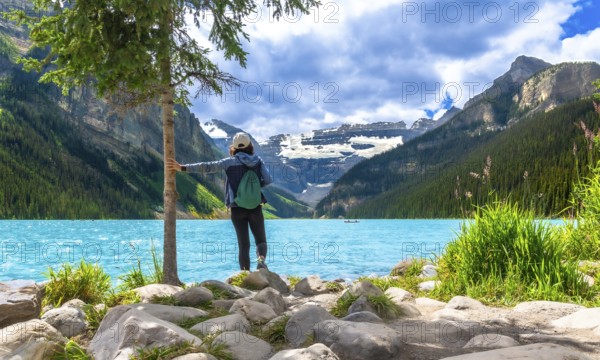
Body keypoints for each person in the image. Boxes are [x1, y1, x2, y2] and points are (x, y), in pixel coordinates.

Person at [166, 132, 272, 271]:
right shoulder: (258, 161)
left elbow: (208, 166)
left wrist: (183, 167)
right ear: (250, 145)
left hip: (237, 208)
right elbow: (268, 179)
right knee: (261, 240)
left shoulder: (229, 162)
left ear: (234, 147)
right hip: (255, 207)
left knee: (243, 244)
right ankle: (261, 261)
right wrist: (255, 186)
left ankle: (245, 275)